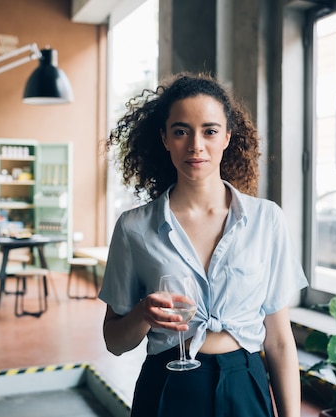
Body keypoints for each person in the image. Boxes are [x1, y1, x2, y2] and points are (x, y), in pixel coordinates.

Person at [99, 72, 308, 417]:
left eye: (210, 131)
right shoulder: (134, 228)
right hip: (167, 386)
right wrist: (143, 314)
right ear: (165, 138)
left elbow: (280, 340)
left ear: (227, 137)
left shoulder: (266, 220)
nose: (196, 145)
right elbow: (114, 341)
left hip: (245, 383)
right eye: (181, 131)